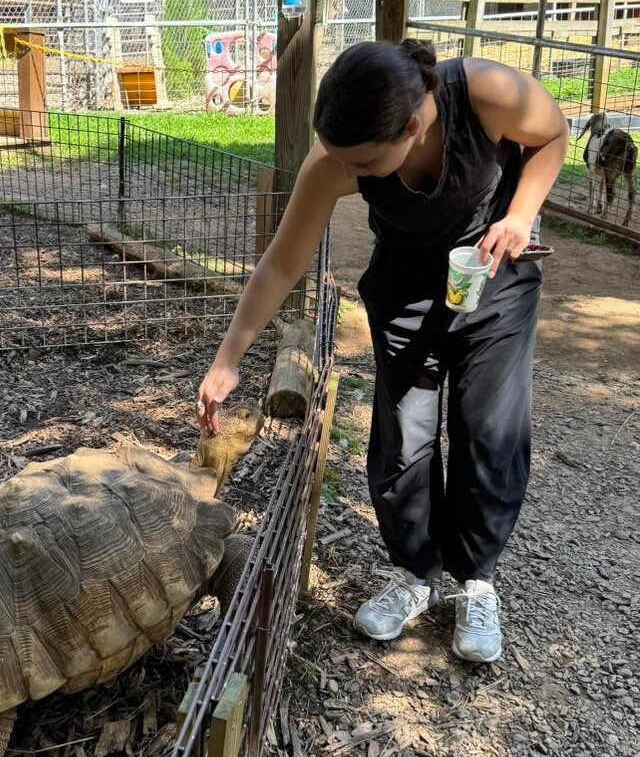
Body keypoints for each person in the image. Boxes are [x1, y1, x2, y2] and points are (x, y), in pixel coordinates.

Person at [196, 40, 569, 663]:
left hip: (494, 275)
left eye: (365, 164)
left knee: (488, 431)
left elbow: (554, 135)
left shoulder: (487, 95)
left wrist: (521, 215)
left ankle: (476, 581)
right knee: (404, 436)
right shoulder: (336, 158)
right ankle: (417, 575)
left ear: (414, 126)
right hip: (405, 292)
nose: (351, 173)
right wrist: (227, 357)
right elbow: (283, 262)